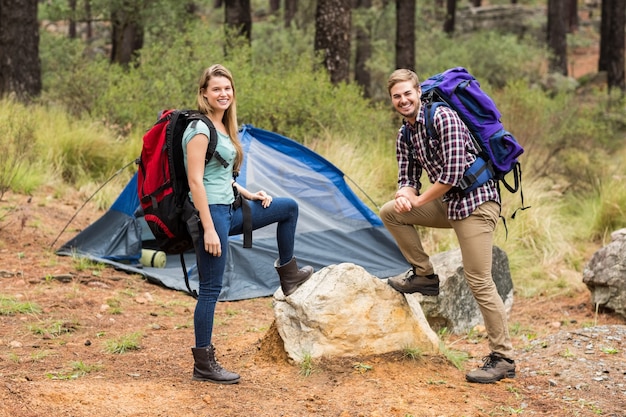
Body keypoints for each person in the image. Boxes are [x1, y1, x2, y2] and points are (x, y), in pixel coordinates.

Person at [380, 68, 516, 384]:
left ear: (418, 92)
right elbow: (407, 177)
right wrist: (404, 194)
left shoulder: (443, 117)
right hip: (450, 204)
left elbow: (453, 175)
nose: (403, 100)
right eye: (396, 96)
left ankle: (504, 358)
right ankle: (425, 276)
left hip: (477, 203)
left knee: (479, 279)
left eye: (407, 94)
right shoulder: (406, 133)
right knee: (391, 212)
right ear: (392, 100)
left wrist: (417, 199)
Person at [183, 64, 314, 384]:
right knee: (211, 289)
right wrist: (210, 228)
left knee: (288, 208)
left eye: (227, 88)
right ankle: (203, 362)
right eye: (216, 89)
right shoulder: (199, 130)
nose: (223, 94)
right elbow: (196, 182)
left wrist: (249, 194)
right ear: (204, 93)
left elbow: (221, 176)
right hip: (211, 214)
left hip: (229, 207)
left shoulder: (223, 126)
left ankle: (289, 274)